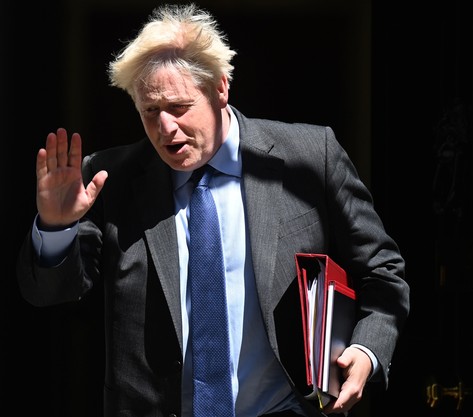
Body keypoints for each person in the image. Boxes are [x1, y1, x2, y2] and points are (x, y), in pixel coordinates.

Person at [16, 3, 410, 417]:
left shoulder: (310, 157)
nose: (166, 128)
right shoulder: (108, 178)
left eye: (180, 107)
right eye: (150, 111)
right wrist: (57, 227)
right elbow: (52, 296)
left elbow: (383, 270)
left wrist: (367, 350)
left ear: (220, 88)